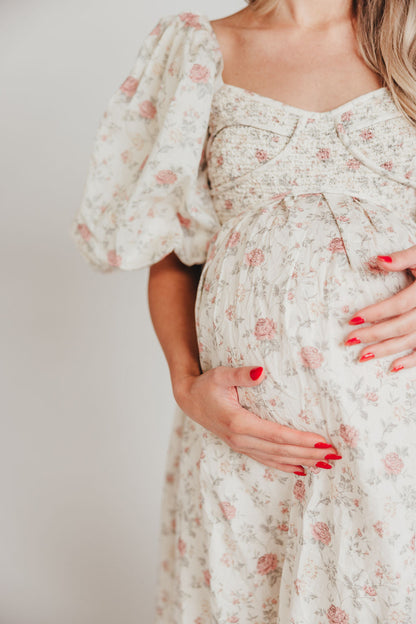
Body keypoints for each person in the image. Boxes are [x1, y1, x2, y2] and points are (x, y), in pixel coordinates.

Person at [70, 0, 416, 621]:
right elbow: (173, 255)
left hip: (397, 420)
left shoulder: (409, 33)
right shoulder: (200, 49)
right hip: (248, 439)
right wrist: (186, 386)